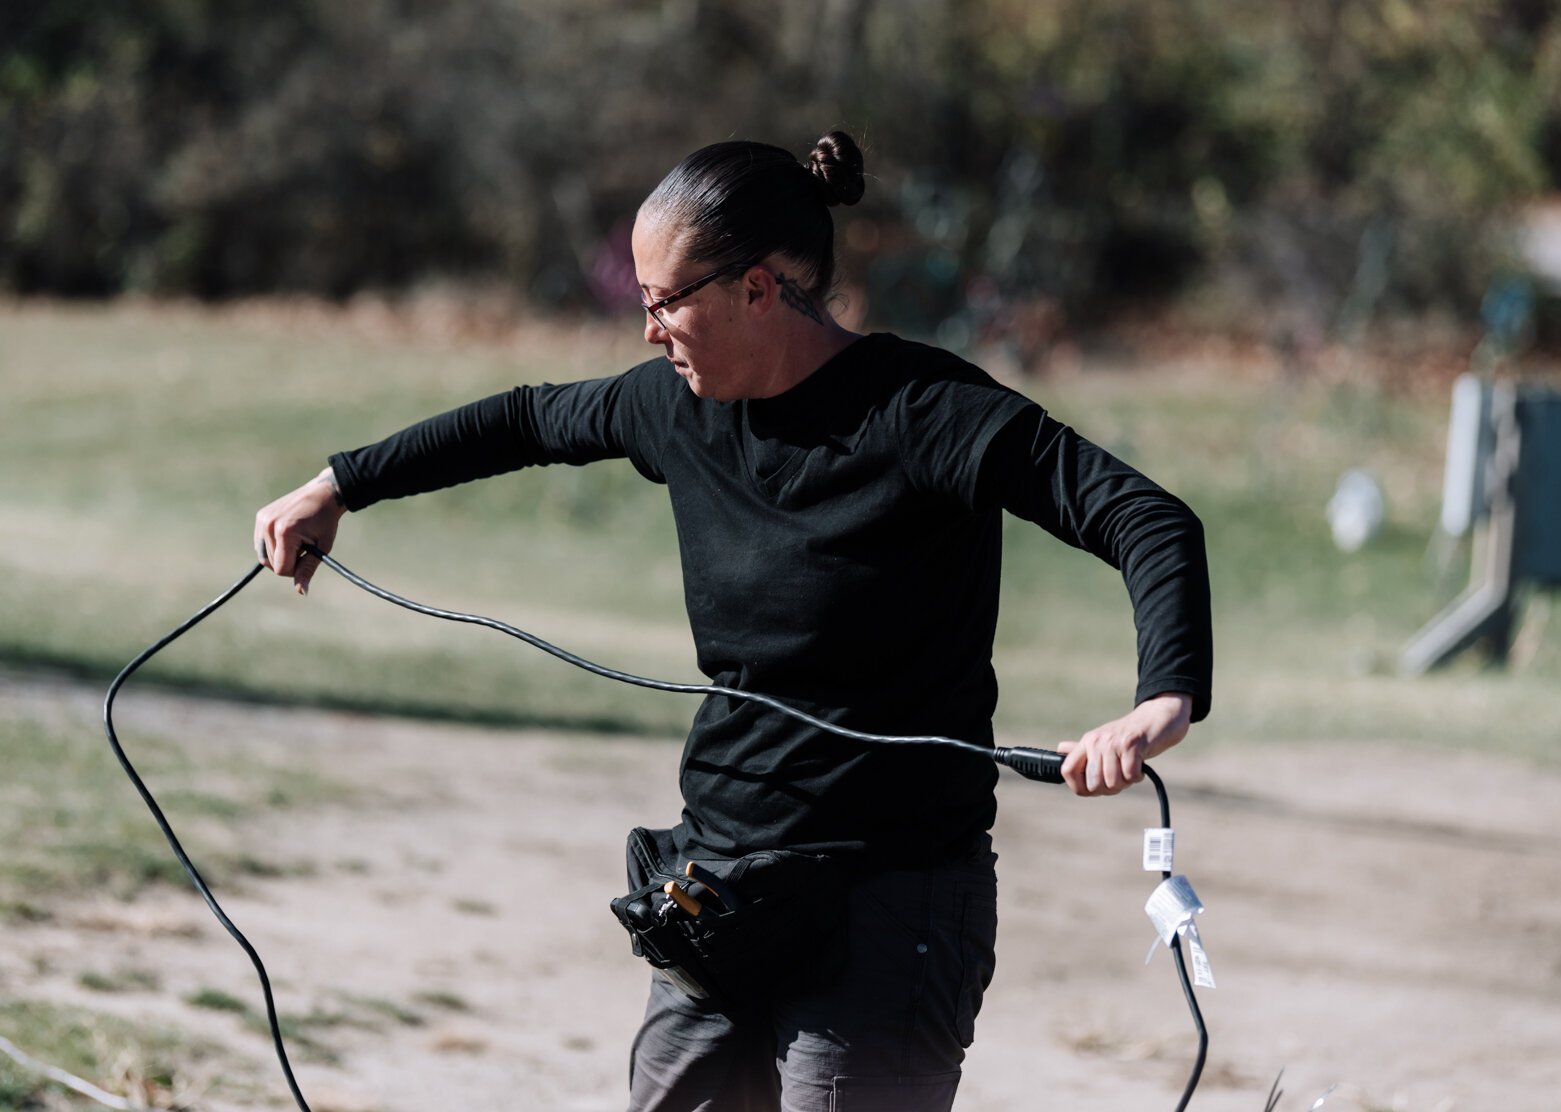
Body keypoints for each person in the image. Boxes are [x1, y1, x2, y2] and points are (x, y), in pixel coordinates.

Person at [253, 129, 1211, 1112]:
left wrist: (1160, 698)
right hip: (718, 883)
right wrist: (340, 484)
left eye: (664, 300)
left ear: (756, 289)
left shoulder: (926, 412)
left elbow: (1142, 516)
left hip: (892, 903)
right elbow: (527, 420)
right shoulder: (676, 409)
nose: (647, 328)